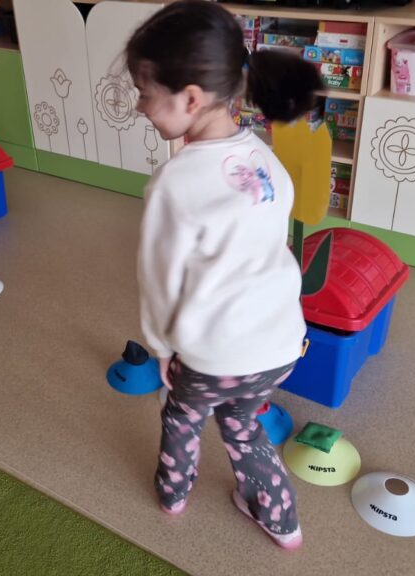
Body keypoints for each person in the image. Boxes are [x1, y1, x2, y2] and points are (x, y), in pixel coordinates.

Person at [128, 0, 323, 550]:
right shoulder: (263, 157)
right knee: (241, 422)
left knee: (182, 415)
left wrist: (162, 347)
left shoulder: (175, 183)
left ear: (190, 99)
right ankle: (281, 519)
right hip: (280, 345)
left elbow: (159, 281)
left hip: (214, 353)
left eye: (145, 93)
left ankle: (173, 494)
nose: (140, 106)